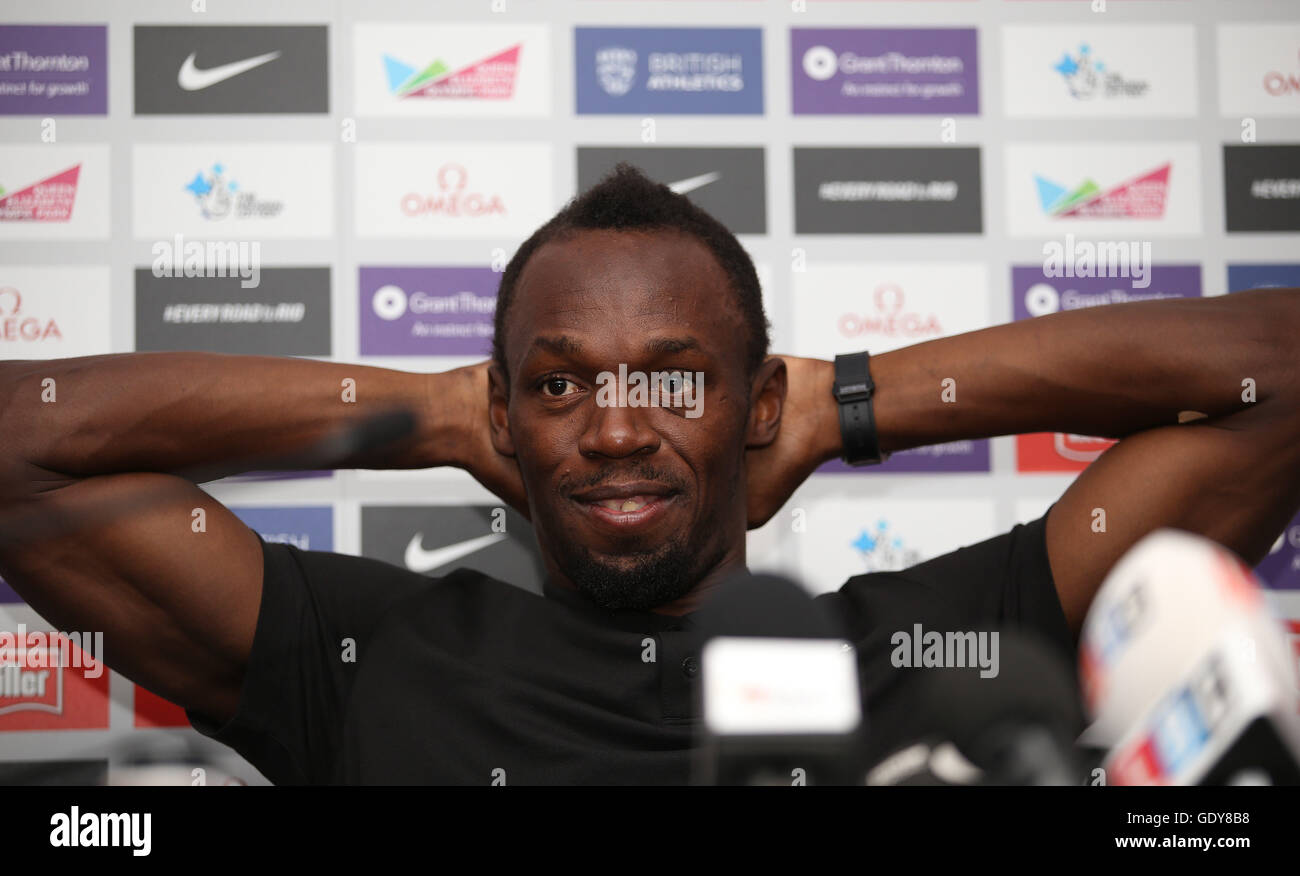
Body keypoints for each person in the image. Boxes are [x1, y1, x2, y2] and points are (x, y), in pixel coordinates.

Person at [1, 164, 1297, 784]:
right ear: (508, 416)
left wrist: (845, 409)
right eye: (562, 385)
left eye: (676, 378)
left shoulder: (950, 649)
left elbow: (1281, 375)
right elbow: (24, 449)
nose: (618, 430)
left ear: (757, 400)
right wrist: (451, 413)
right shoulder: (375, 655)